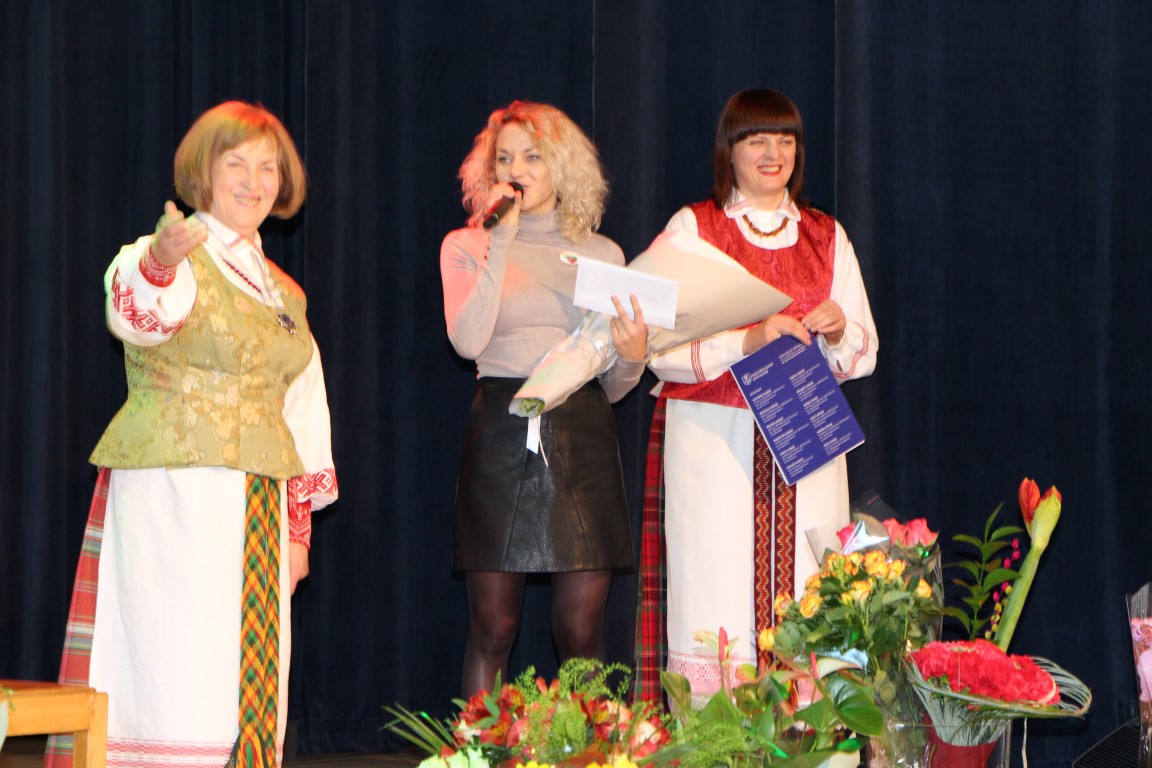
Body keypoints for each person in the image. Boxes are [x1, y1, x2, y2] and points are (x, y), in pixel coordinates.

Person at [47, 101, 338, 768]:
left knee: (241, 663)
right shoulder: (169, 254)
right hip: (175, 492)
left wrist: (298, 529)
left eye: (267, 167)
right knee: (173, 653)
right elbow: (138, 313)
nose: (253, 181)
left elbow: (302, 407)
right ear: (203, 171)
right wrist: (160, 260)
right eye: (236, 164)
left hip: (258, 503)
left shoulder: (284, 292)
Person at [633, 89, 877, 702]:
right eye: (757, 140)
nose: (773, 154)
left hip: (806, 441)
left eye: (785, 140)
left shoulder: (826, 235)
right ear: (730, 150)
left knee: (813, 586)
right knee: (715, 581)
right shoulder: (694, 229)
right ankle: (715, 734)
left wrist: (838, 331)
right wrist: (747, 340)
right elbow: (654, 347)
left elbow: (865, 352)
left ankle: (815, 733)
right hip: (716, 441)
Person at [442, 100, 649, 697]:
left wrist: (633, 354)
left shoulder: (604, 255)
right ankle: (483, 746)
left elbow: (614, 387)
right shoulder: (466, 245)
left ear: (562, 166)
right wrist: (499, 241)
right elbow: (467, 341)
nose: (517, 170)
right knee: (494, 625)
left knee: (579, 629)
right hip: (502, 429)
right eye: (504, 159)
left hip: (581, 432)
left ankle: (592, 746)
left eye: (532, 157)